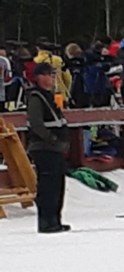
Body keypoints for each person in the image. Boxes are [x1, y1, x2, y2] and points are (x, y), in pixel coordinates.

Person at [26, 63, 70, 233]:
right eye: (49, 74)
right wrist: (51, 138)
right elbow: (36, 124)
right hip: (44, 148)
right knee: (48, 186)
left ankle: (55, 219)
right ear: (39, 77)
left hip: (54, 148)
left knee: (57, 185)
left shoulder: (48, 96)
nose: (52, 78)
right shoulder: (36, 97)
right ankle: (46, 221)